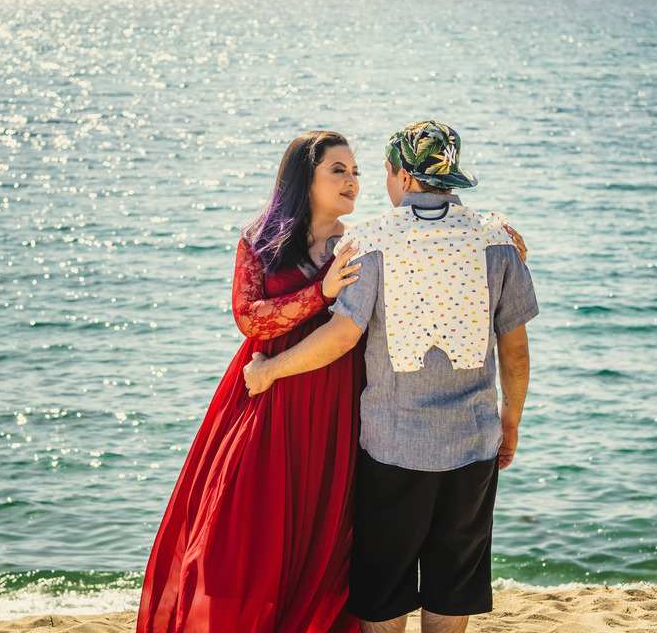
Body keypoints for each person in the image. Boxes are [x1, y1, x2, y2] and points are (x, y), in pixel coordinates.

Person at [245, 120, 538, 633]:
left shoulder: (372, 241)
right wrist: (510, 418)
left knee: (385, 589)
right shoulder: (498, 239)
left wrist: (270, 369)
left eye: (382, 171)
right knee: (454, 583)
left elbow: (340, 338)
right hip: (473, 445)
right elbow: (514, 348)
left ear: (403, 175)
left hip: (392, 448)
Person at [137, 130, 367, 633]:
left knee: (323, 526)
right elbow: (249, 318)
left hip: (336, 396)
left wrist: (497, 229)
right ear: (306, 177)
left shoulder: (362, 241)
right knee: (238, 525)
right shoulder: (260, 239)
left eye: (355, 172)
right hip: (267, 392)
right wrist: (319, 292)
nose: (352, 181)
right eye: (339, 170)